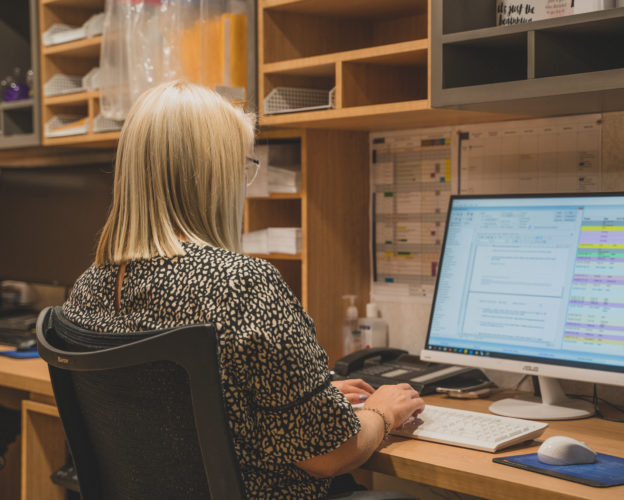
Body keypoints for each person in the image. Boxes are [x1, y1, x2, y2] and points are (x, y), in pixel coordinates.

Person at [61, 80, 425, 498]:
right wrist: (382, 412)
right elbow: (331, 454)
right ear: (215, 178)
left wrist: (313, 402)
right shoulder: (240, 284)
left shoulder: (88, 286)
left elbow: (186, 411)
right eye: (242, 166)